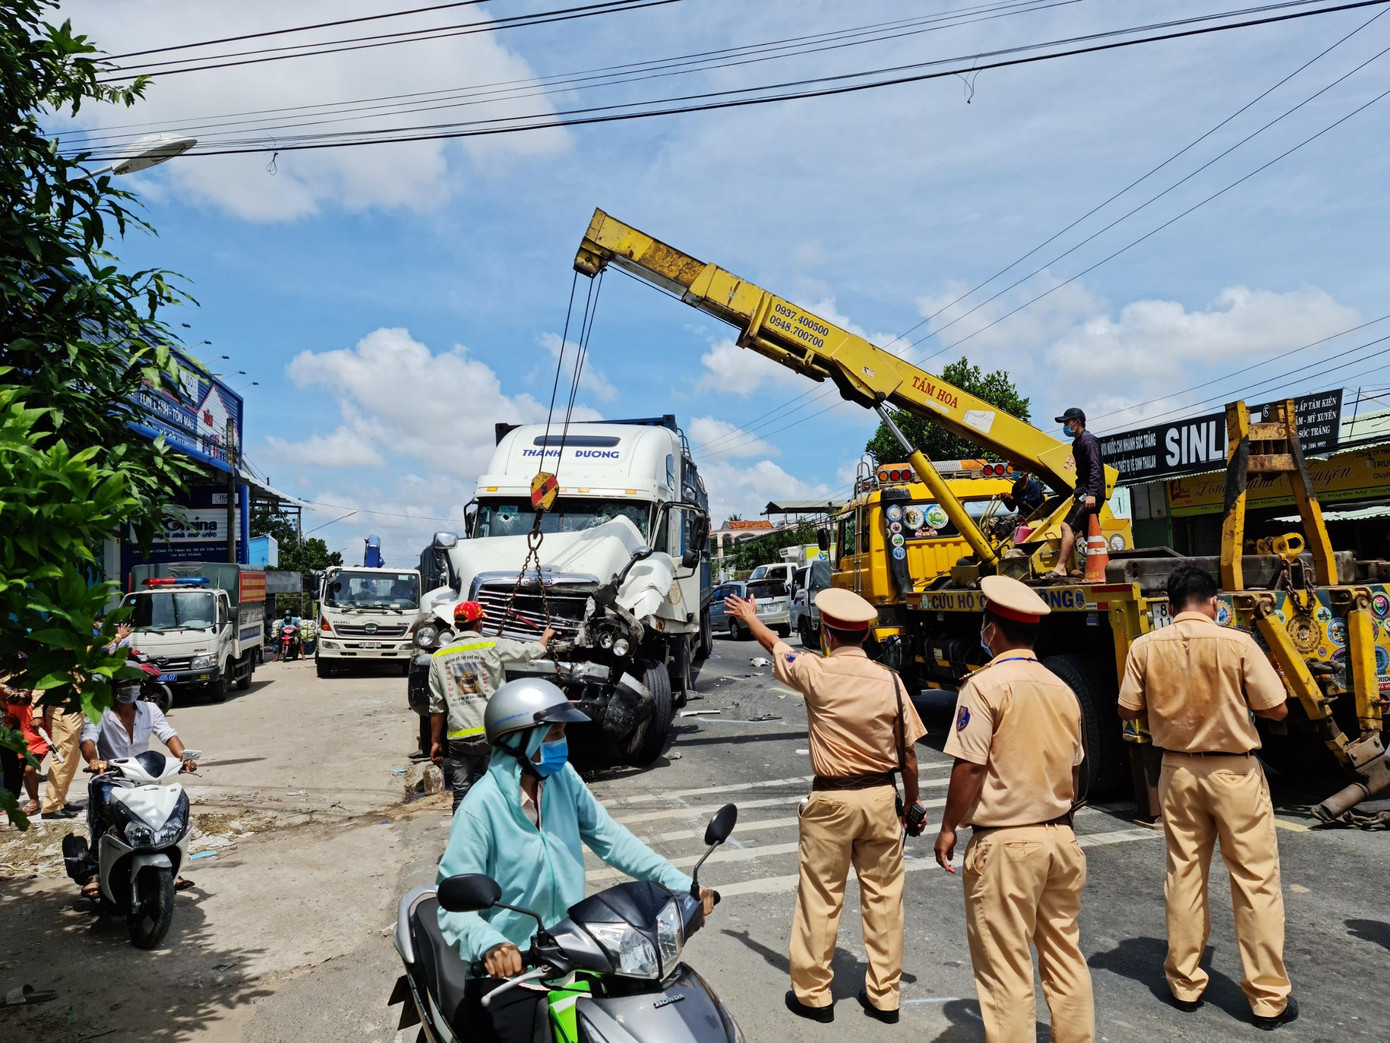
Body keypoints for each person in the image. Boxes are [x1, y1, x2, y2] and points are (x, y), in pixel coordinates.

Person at [438, 678, 715, 1043]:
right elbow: (453, 907)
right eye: (553, 733)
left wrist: (681, 885)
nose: (562, 743)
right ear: (520, 739)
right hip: (514, 970)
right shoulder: (479, 809)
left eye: (563, 733)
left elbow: (612, 839)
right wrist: (491, 944)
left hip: (576, 951)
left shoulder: (561, 779)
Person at [725, 586, 927, 1025]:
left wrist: (749, 617)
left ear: (827, 636)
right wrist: (912, 804)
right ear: (869, 633)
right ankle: (885, 996)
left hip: (832, 800)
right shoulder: (891, 681)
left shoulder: (816, 671)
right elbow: (908, 754)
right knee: (884, 899)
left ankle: (815, 996)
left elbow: (775, 645)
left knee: (820, 897)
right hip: (880, 799)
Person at [1117, 565, 1296, 1030]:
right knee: (1255, 881)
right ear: (1213, 602)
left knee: (1185, 874)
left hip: (1176, 770)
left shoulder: (1144, 646)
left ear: (1169, 607)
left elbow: (1125, 707)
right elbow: (1275, 707)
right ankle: (1267, 998)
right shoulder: (1237, 643)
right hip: (1234, 771)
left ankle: (1184, 982)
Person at [934, 575, 1093, 1043]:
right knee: (1065, 956)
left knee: (1005, 969)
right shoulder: (1063, 689)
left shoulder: (985, 687)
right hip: (1060, 839)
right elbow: (1076, 771)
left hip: (1006, 844)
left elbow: (969, 768)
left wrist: (947, 828)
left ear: (991, 631)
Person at [428, 601, 555, 814]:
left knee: (461, 792)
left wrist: (434, 741)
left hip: (459, 737)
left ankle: (465, 836)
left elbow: (437, 706)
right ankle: (502, 833)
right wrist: (546, 636)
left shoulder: (439, 657)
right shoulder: (492, 646)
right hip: (492, 734)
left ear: (457, 626)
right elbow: (533, 651)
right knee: (500, 788)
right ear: (478, 624)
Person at [79, 678, 198, 897]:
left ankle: (171, 865)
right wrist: (94, 760)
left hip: (144, 777)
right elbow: (88, 740)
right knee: (105, 817)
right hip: (110, 777)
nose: (130, 687)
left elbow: (168, 734)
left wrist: (184, 757)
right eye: (124, 683)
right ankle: (94, 871)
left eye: (134, 682)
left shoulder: (150, 709)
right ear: (112, 687)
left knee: (165, 815)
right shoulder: (98, 710)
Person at [1048, 407, 1104, 580]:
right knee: (1091, 534)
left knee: (1067, 526)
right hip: (1084, 491)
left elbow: (1096, 467)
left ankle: (1060, 568)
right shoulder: (1077, 443)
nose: (1065, 426)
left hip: (1090, 492)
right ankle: (1103, 569)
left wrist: (1092, 493)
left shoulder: (1088, 440)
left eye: (1067, 422)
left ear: (1077, 422)